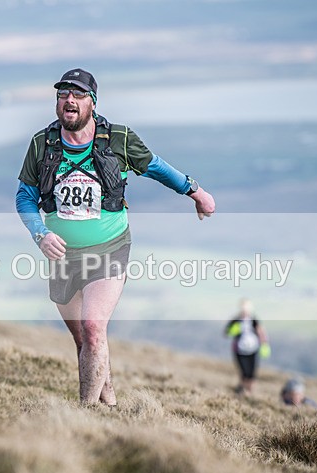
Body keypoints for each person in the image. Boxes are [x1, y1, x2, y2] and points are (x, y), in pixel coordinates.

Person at [15, 68, 216, 406]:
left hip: (110, 248)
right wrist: (40, 234)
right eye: (63, 94)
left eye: (78, 95)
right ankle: (109, 400)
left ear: (92, 102)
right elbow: (24, 196)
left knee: (93, 327)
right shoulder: (42, 143)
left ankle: (85, 415)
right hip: (62, 256)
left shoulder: (119, 140)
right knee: (84, 340)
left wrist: (194, 191)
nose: (69, 100)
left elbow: (155, 166)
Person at [224, 298, 270, 395]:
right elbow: (226, 333)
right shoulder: (236, 320)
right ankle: (243, 390)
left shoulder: (254, 320)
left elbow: (260, 331)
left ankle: (249, 392)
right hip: (239, 350)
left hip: (253, 349)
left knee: (252, 373)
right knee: (244, 371)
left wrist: (264, 344)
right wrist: (233, 330)